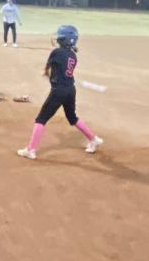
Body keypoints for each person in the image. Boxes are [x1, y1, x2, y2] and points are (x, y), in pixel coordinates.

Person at [18, 24, 103, 160]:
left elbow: (48, 67)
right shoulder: (73, 56)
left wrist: (46, 72)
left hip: (59, 91)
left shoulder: (56, 52)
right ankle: (93, 139)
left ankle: (31, 150)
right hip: (70, 90)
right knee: (72, 118)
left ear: (63, 40)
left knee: (41, 119)